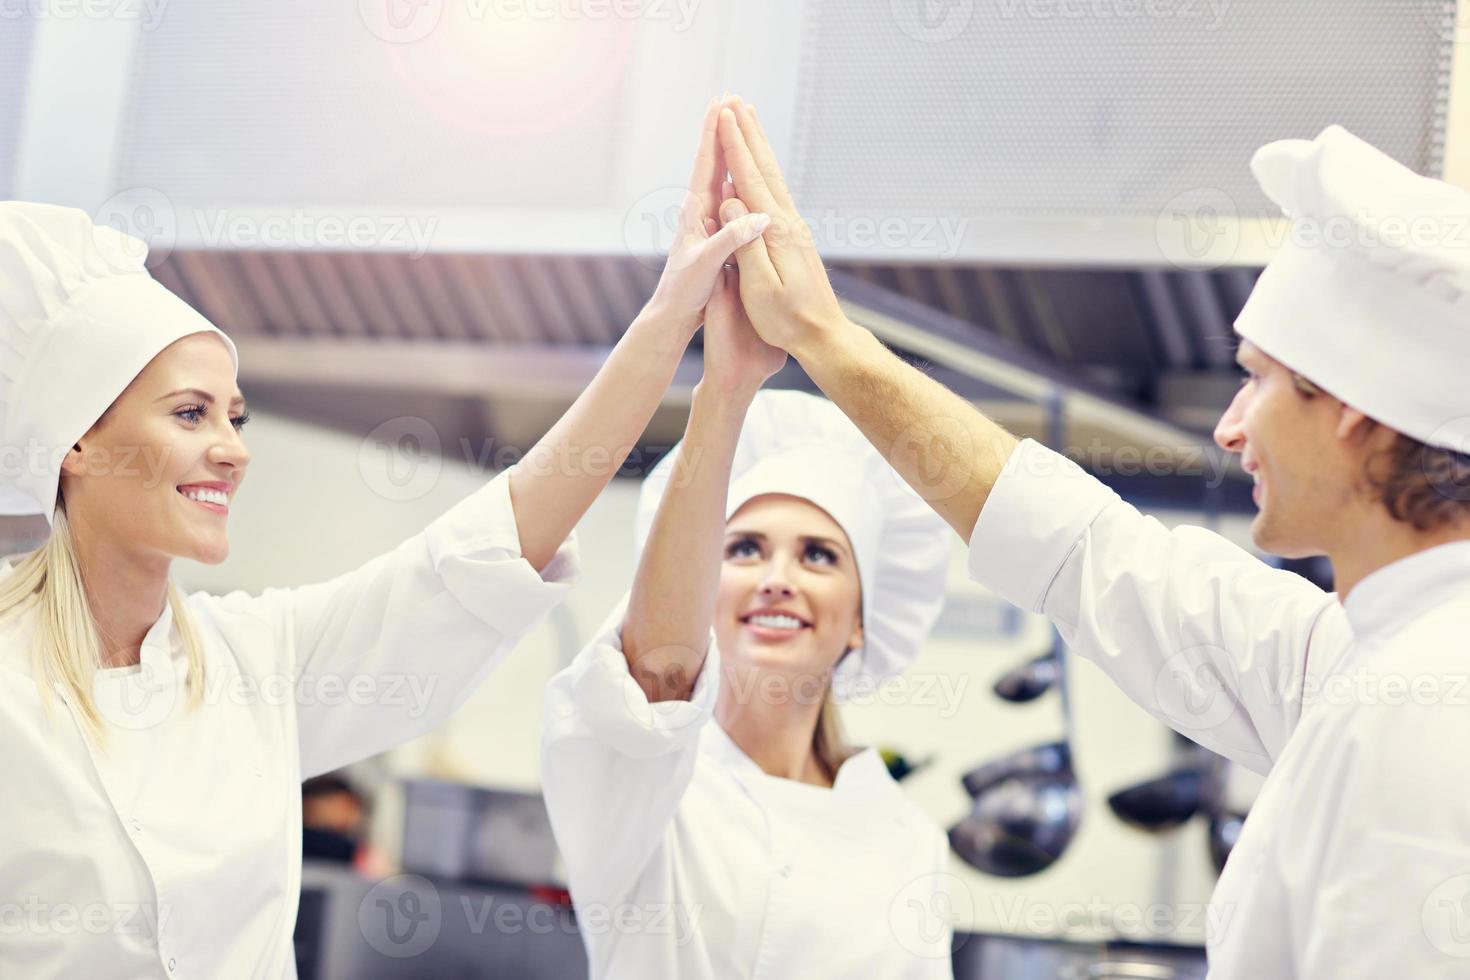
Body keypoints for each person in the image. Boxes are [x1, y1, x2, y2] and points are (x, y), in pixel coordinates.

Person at [0, 97, 769, 977]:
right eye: (190, 413)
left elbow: (481, 556)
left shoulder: (255, 664)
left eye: (238, 417)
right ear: (77, 444)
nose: (231, 449)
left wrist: (673, 318)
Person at [714, 100, 1470, 976]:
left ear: (1348, 411)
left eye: (1257, 382)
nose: (1228, 429)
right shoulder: (1371, 658)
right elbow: (1087, 553)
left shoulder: (1427, 710)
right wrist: (824, 339)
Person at [539, 279, 957, 975]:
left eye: (819, 555)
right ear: (703, 586)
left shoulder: (907, 838)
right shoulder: (645, 781)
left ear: (860, 620)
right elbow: (656, 674)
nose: (776, 577)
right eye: (744, 548)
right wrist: (724, 394)